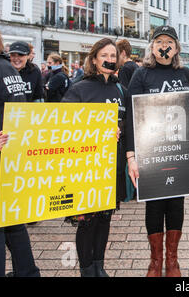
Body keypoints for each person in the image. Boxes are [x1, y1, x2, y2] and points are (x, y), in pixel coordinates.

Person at [125, 25, 189, 277]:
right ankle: (155, 261)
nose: (163, 46)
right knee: (154, 205)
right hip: (151, 150)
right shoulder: (142, 74)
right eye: (159, 41)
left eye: (168, 41)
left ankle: (173, 260)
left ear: (176, 48)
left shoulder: (185, 73)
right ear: (152, 47)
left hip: (179, 149)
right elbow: (131, 117)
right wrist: (131, 155)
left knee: (177, 203)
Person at [61, 38, 127, 277]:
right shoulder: (79, 88)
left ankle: (100, 265)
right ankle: (86, 268)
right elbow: (63, 128)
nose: (110, 60)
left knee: (105, 218)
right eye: (104, 56)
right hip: (86, 167)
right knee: (87, 221)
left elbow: (129, 124)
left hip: (112, 165)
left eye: (113, 56)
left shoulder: (121, 89)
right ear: (94, 59)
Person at [0, 27, 40, 277]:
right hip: (11, 152)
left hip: (1, 149)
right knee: (12, 219)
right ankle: (27, 271)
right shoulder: (9, 70)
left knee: (0, 224)